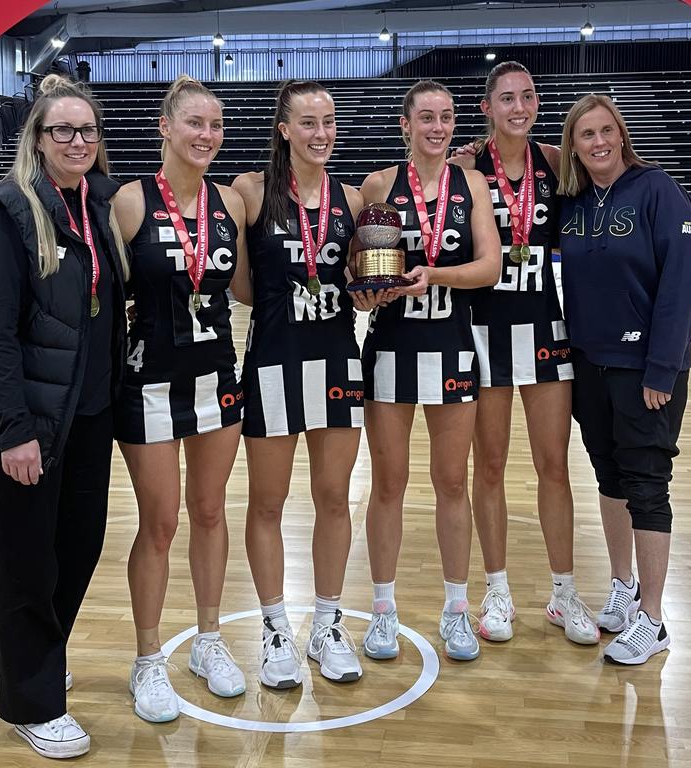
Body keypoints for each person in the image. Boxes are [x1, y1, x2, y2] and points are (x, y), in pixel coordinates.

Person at [0, 74, 129, 759]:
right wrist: (14, 430)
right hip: (21, 421)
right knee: (24, 562)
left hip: (85, 414)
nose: (78, 141)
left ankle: (22, 647)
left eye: (87, 130)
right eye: (63, 130)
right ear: (39, 140)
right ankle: (32, 702)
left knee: (76, 547)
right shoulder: (9, 213)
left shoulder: (98, 206)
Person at [110, 75, 250, 721]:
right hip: (150, 385)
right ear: (164, 128)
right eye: (195, 123)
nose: (207, 135)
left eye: (216, 125)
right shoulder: (130, 202)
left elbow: (245, 288)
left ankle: (209, 640)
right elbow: (103, 298)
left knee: (212, 512)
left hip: (216, 378)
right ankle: (147, 659)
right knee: (161, 524)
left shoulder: (231, 204)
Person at [449, 61, 598, 646]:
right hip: (482, 329)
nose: (519, 105)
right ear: (488, 109)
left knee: (553, 466)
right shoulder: (466, 169)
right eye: (507, 97)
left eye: (528, 96)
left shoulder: (557, 164)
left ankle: (564, 592)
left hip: (543, 327)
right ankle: (498, 587)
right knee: (488, 466)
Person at [232, 80, 372, 688]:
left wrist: (368, 290)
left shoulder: (351, 199)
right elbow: (238, 284)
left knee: (334, 499)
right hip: (271, 362)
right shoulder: (250, 192)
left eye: (329, 122)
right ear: (284, 129)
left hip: (339, 359)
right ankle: (272, 630)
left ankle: (328, 625)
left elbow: (362, 277)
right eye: (308, 123)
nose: (322, 134)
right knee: (268, 502)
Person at [358, 80, 500, 662]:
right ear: (405, 125)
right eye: (426, 117)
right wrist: (369, 294)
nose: (437, 127)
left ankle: (456, 609)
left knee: (452, 483)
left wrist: (433, 276)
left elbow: (490, 266)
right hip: (391, 347)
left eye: (445, 117)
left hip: (452, 346)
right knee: (388, 484)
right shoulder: (378, 186)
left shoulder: (472, 184)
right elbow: (362, 278)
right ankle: (384, 610)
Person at [557, 93, 691, 665]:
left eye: (605, 131)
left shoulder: (658, 191)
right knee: (609, 477)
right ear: (573, 145)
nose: (597, 142)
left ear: (621, 134)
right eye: (585, 134)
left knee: (646, 484)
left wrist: (662, 367)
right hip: (590, 366)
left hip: (646, 370)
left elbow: (682, 286)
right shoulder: (573, 202)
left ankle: (655, 619)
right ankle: (624, 587)